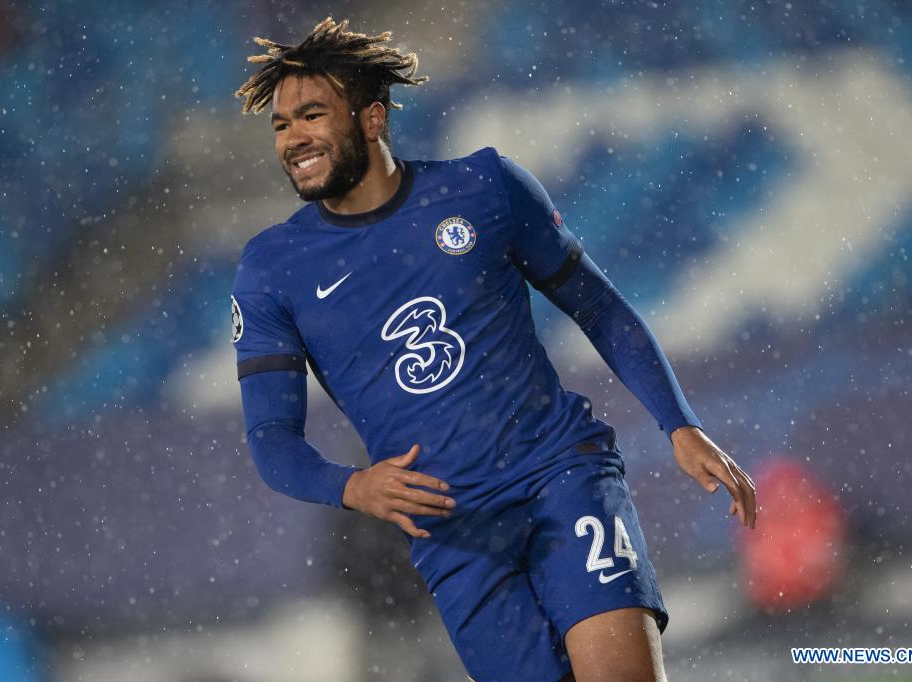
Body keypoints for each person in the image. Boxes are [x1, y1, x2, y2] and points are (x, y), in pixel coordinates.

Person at [231, 17, 757, 682]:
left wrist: (679, 423)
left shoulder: (484, 187)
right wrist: (352, 487)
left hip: (560, 476)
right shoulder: (271, 268)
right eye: (281, 125)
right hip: (454, 532)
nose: (293, 138)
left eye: (312, 115)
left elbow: (598, 308)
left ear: (371, 118)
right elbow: (272, 439)